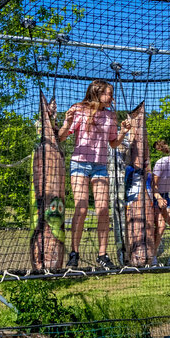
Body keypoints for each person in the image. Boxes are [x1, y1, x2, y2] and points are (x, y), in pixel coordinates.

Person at [57, 79, 123, 269]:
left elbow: (113, 143)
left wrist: (124, 132)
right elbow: (61, 137)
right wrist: (68, 122)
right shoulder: (78, 109)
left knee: (103, 210)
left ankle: (102, 254)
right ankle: (74, 252)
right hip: (79, 164)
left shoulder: (111, 115)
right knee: (82, 208)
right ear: (97, 93)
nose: (111, 97)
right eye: (108, 93)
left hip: (100, 166)